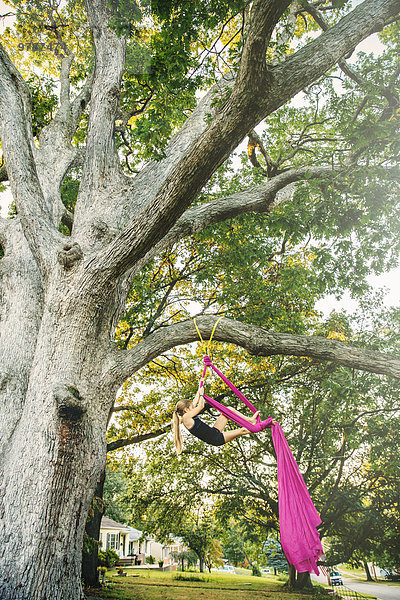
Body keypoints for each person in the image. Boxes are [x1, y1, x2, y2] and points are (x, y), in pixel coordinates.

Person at [172, 382, 275, 455]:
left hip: (214, 431)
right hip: (215, 438)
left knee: (228, 410)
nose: (192, 407)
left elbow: (195, 401)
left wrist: (200, 385)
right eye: (190, 407)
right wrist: (202, 395)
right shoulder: (186, 418)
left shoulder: (187, 414)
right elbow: (200, 406)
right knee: (242, 430)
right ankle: (261, 426)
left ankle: (251, 420)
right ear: (185, 409)